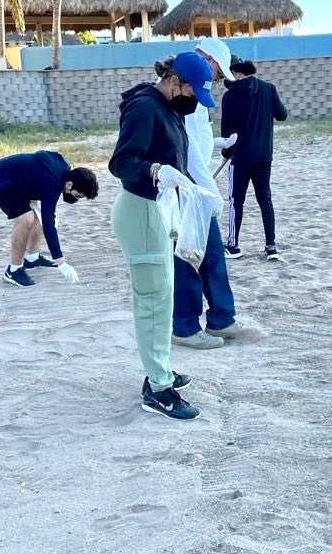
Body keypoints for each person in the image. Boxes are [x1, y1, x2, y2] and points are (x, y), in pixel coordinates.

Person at [108, 52, 216, 421]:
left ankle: (161, 371)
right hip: (140, 211)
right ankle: (158, 390)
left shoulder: (168, 107)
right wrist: (156, 171)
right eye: (192, 92)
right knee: (154, 303)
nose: (194, 102)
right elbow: (121, 164)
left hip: (156, 210)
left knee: (161, 297)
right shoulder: (145, 108)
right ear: (175, 82)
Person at [170, 37, 255, 351]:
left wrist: (219, 144)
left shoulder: (196, 85)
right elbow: (187, 149)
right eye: (219, 73)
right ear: (207, 59)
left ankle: (222, 318)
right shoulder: (186, 88)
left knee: (213, 254)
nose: (218, 80)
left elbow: (199, 141)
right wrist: (209, 193)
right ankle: (185, 326)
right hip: (187, 186)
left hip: (198, 183)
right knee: (189, 255)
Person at [0, 151, 98, 287]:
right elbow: (49, 224)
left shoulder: (63, 170)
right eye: (77, 195)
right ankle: (13, 270)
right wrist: (61, 263)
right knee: (27, 219)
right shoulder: (53, 181)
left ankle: (32, 258)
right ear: (70, 185)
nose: (75, 199)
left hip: (18, 183)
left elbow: (43, 157)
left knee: (40, 214)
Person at [221, 56, 288, 261]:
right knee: (265, 199)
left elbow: (227, 133)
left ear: (237, 73)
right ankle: (271, 246)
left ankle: (233, 246)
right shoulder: (268, 89)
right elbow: (282, 115)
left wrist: (226, 153)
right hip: (264, 155)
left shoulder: (230, 95)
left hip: (240, 157)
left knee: (236, 201)